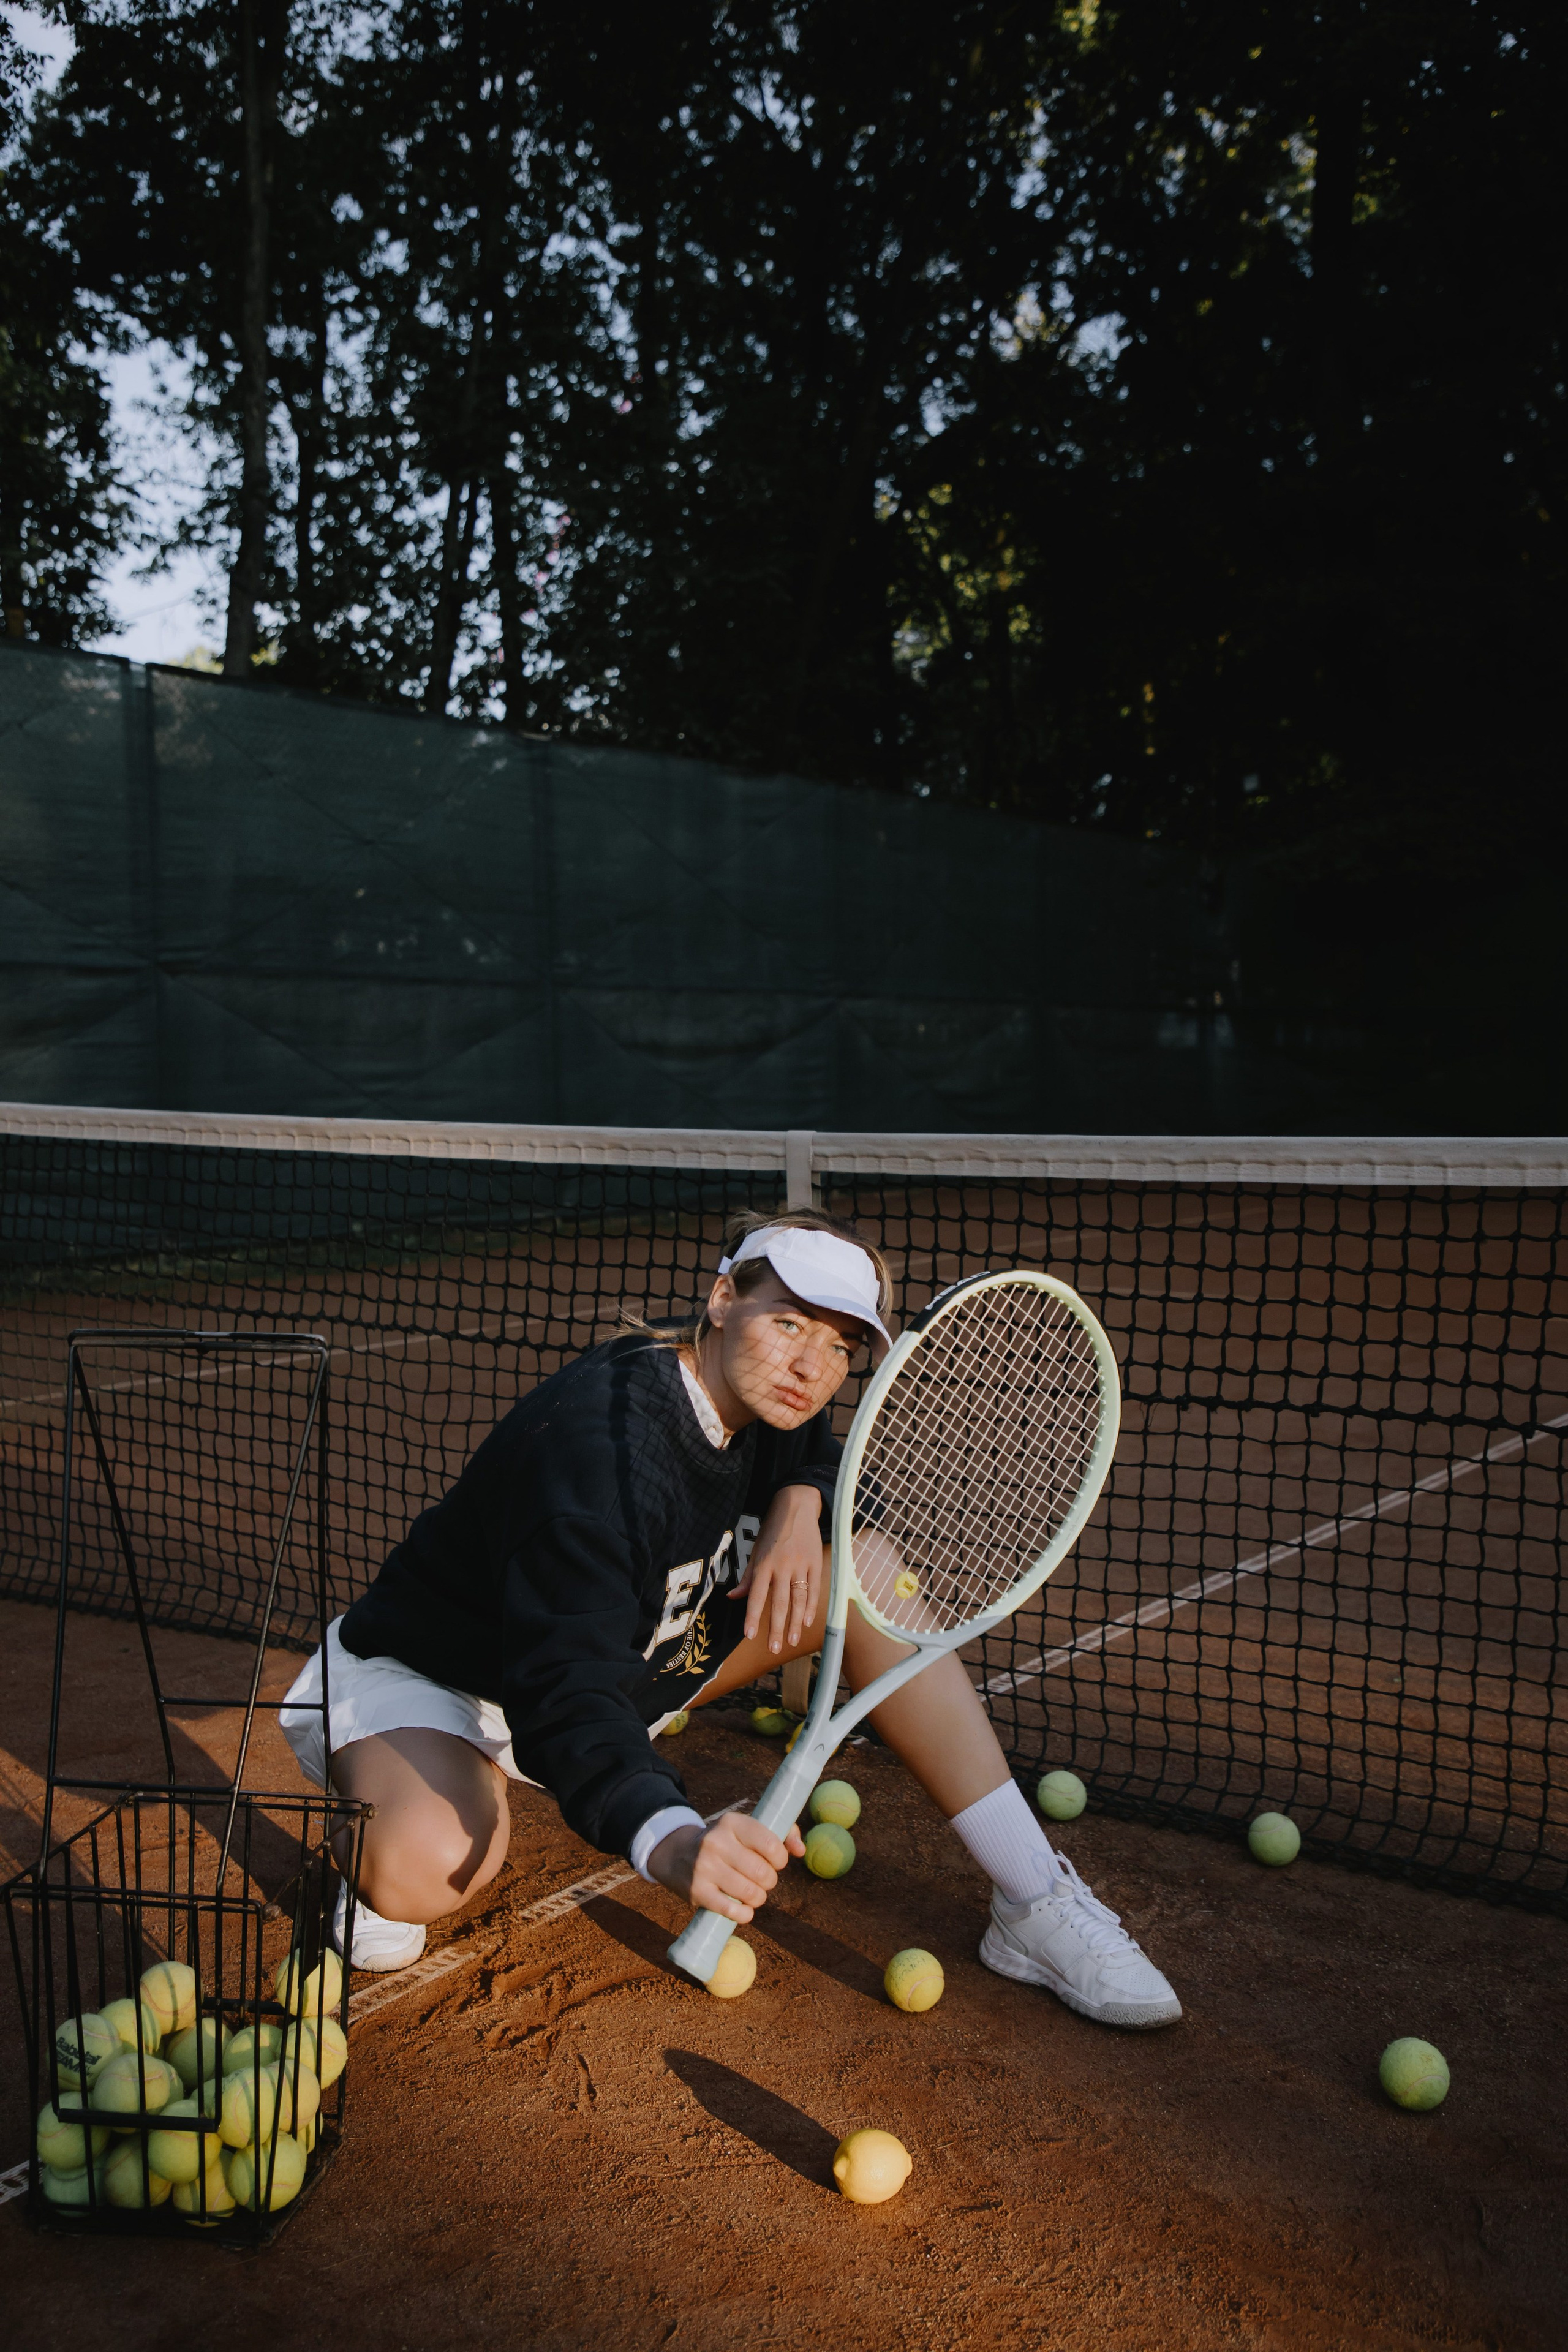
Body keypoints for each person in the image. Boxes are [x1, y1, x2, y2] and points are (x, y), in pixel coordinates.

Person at [279, 1209, 1180, 2030]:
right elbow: (564, 1697)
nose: (810, 1367)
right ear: (720, 1300)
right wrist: (670, 1842)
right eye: (788, 1322)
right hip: (454, 1675)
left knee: (866, 1575)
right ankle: (384, 1805)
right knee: (430, 1865)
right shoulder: (599, 1464)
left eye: (839, 1346)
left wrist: (798, 1504)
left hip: (636, 1656)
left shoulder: (767, 1393)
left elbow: (813, 1440)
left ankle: (1031, 1900)